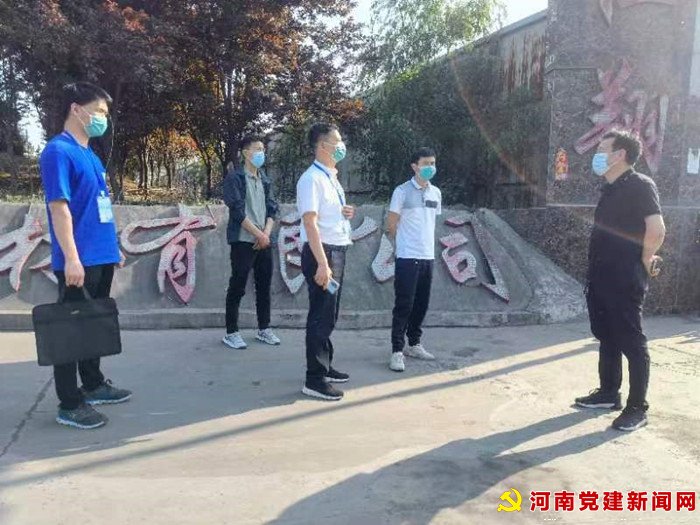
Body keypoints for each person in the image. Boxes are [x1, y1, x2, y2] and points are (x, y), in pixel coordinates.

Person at [39, 82, 132, 430]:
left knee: (92, 326)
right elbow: (59, 208)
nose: (103, 119)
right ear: (76, 109)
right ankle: (69, 403)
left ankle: (93, 385)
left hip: (100, 256)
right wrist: (71, 258)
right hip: (79, 260)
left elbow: (99, 207)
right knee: (69, 331)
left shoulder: (90, 154)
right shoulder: (58, 152)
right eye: (99, 112)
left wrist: (112, 248)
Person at [575, 130, 666, 432]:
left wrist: (645, 257)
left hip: (625, 277)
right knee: (607, 335)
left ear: (620, 155)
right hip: (601, 276)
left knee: (631, 340)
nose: (597, 156)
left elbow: (657, 229)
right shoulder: (610, 188)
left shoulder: (641, 185)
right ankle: (608, 393)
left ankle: (637, 407)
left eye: (602, 150)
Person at [296, 123, 354, 400]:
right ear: (322, 145)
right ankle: (314, 379)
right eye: (336, 141)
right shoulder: (311, 179)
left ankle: (325, 366)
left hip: (336, 250)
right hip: (323, 254)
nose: (341, 146)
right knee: (320, 316)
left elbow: (326, 214)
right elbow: (310, 223)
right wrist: (322, 263)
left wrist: (344, 212)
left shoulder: (330, 178)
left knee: (328, 315)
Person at [386, 147, 442, 372]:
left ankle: (414, 344)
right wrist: (403, 245)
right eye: (426, 163)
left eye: (433, 163)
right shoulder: (401, 191)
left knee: (421, 304)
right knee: (404, 305)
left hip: (428, 256)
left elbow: (431, 222)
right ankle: (397, 351)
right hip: (408, 257)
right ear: (414, 166)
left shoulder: (435, 193)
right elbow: (391, 224)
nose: (430, 167)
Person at [222, 136, 280, 349]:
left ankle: (264, 328)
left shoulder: (264, 179)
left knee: (264, 286)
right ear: (246, 153)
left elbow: (272, 209)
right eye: (257, 149)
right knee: (237, 286)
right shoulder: (235, 178)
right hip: (243, 240)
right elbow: (237, 211)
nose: (261, 153)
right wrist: (258, 234)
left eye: (263, 149)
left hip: (264, 240)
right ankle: (232, 332)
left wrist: (266, 234)